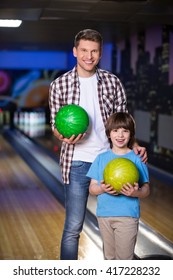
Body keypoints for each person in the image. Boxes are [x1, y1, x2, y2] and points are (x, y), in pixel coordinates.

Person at [49, 28, 147, 260]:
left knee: (113, 226)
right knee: (73, 227)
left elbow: (124, 121)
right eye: (84, 50)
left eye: (94, 51)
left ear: (100, 53)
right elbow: (55, 124)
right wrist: (61, 136)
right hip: (76, 163)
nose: (88, 56)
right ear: (75, 51)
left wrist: (133, 143)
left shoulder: (113, 82)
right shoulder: (59, 85)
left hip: (110, 162)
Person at [87, 112, 150, 260]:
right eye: (116, 130)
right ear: (109, 133)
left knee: (124, 260)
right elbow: (92, 188)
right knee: (109, 258)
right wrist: (102, 189)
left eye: (125, 130)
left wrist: (136, 193)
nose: (120, 135)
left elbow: (146, 189)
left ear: (131, 134)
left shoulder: (137, 159)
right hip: (104, 215)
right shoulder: (101, 158)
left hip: (127, 216)